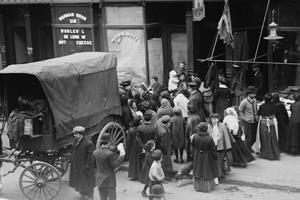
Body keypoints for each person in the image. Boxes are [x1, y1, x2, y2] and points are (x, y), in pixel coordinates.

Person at [93, 132, 125, 200]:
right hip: (109, 180)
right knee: (112, 198)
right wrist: (121, 156)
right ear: (109, 142)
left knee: (102, 198)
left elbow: (94, 165)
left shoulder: (95, 152)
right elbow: (114, 165)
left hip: (100, 178)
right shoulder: (109, 153)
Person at [69, 126, 95, 200]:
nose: (74, 135)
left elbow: (90, 156)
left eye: (76, 134)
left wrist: (86, 166)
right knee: (81, 181)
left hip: (86, 167)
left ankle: (90, 196)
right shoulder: (75, 140)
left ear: (81, 134)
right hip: (78, 165)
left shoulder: (89, 143)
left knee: (88, 182)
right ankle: (82, 194)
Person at [253, 94, 280, 160]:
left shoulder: (262, 106)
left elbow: (259, 114)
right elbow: (275, 114)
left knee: (264, 138)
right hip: (272, 123)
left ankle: (265, 154)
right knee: (272, 138)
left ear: (264, 99)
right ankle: (274, 154)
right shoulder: (274, 106)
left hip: (263, 123)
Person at [192, 122, 218, 193]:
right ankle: (207, 187)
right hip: (207, 156)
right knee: (207, 171)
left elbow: (194, 146)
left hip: (198, 156)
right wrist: (215, 157)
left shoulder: (195, 137)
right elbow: (213, 149)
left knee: (198, 170)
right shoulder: (209, 138)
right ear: (206, 129)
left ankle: (198, 186)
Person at [207, 113, 232, 180]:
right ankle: (215, 174)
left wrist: (228, 147)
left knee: (220, 162)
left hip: (220, 147)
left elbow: (226, 137)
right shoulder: (208, 126)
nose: (215, 120)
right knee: (213, 162)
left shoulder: (222, 126)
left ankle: (220, 175)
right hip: (211, 148)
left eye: (216, 119)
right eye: (213, 119)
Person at [238, 86, 258, 151]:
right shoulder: (244, 102)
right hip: (247, 122)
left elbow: (256, 109)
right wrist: (244, 118)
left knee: (254, 136)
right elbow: (240, 111)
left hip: (254, 121)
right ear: (249, 94)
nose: (254, 94)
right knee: (248, 137)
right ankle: (246, 151)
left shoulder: (255, 100)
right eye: (253, 93)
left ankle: (250, 147)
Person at [156, 115, 174, 179]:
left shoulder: (161, 128)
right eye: (170, 122)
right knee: (164, 165)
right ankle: (164, 176)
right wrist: (166, 151)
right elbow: (163, 144)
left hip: (163, 150)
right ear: (168, 123)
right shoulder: (164, 131)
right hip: (164, 151)